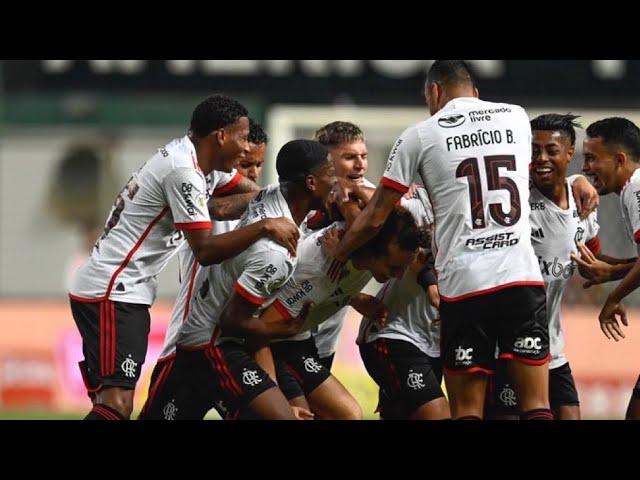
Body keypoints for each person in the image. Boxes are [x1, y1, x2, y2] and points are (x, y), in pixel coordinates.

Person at [326, 60, 554, 420]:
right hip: (520, 277)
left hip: (465, 283)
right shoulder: (516, 116)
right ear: (476, 93)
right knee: (537, 405)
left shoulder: (421, 134)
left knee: (465, 410)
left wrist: (340, 252)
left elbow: (377, 215)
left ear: (434, 92)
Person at [69, 95, 299, 420]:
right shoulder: (183, 172)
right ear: (221, 135)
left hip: (123, 291)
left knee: (112, 404)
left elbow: (258, 194)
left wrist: (300, 199)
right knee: (115, 405)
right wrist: (265, 225)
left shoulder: (203, 167)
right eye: (243, 137)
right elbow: (204, 251)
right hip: (112, 290)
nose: (247, 148)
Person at [141, 139, 337, 420]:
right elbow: (232, 321)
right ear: (310, 183)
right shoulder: (277, 254)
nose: (336, 182)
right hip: (212, 344)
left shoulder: (271, 197)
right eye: (330, 174)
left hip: (208, 337)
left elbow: (222, 208)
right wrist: (283, 330)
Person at [140, 118, 271, 418]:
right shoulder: (198, 198)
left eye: (258, 165)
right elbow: (216, 211)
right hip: (189, 343)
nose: (251, 172)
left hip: (236, 347)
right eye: (245, 163)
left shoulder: (265, 213)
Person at [255, 206, 421, 420]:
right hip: (265, 344)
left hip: (295, 340)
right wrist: (274, 397)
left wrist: (353, 298)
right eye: (393, 267)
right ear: (373, 251)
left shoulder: (362, 250)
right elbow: (259, 331)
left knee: (349, 414)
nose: (397, 276)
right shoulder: (317, 268)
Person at [486, 114, 601, 420]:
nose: (541, 159)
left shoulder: (583, 203)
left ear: (569, 153)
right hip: (505, 343)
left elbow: (590, 251)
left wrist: (600, 277)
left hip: (551, 343)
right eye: (533, 150)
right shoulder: (516, 200)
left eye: (551, 150)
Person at [358, 186, 449, 419]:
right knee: (437, 414)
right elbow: (351, 192)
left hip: (438, 339)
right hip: (395, 331)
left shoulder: (486, 216)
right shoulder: (415, 204)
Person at [573, 117, 640, 419]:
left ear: (620, 159)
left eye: (591, 158)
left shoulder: (636, 189)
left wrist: (614, 296)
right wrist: (609, 269)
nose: (585, 168)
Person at [307, 121, 376, 370]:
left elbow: (377, 249)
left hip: (325, 332)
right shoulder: (304, 192)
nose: (360, 165)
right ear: (326, 160)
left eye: (363, 156)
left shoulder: (371, 201)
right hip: (285, 326)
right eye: (349, 157)